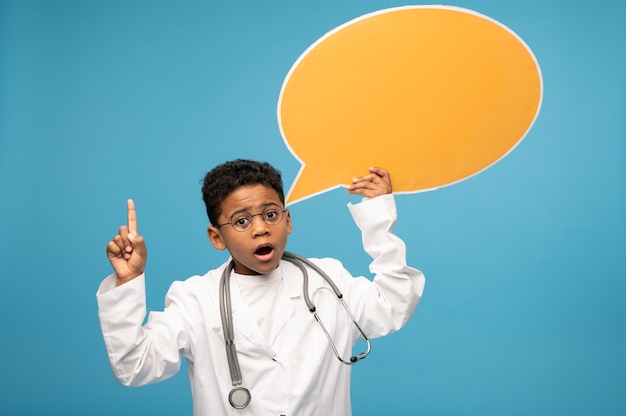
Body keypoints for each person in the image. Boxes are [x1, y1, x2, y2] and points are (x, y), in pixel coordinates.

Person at [97, 159, 425, 416]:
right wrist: (128, 282)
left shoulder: (329, 281)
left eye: (270, 214)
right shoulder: (195, 298)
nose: (260, 229)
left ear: (288, 221)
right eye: (241, 221)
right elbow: (134, 366)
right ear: (216, 237)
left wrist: (379, 219)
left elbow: (393, 306)